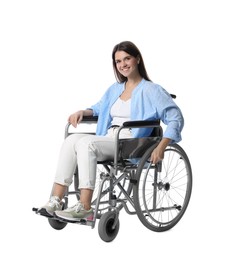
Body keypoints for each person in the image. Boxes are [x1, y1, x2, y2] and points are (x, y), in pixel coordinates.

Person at [37, 40, 184, 221]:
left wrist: (161, 146)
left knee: (86, 144)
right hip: (109, 137)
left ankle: (85, 207)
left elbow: (175, 117)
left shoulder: (152, 90)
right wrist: (83, 112)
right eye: (118, 61)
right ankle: (56, 200)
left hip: (131, 142)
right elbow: (100, 108)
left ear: (137, 59)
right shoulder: (115, 89)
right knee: (71, 140)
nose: (122, 65)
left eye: (127, 59)